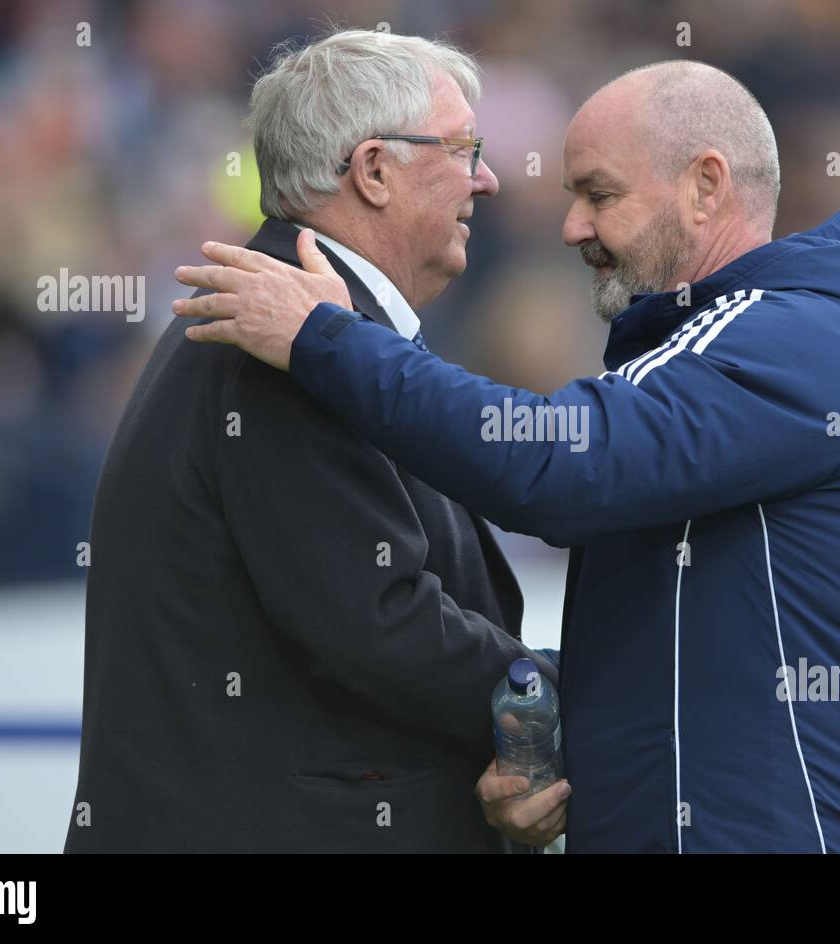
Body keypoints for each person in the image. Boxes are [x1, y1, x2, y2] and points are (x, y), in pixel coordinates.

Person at [174, 60, 840, 853]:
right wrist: (552, 741)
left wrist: (327, 341)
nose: (572, 228)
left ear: (705, 185)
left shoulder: (797, 338)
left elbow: (553, 466)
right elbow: (691, 649)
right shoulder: (744, 352)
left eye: (600, 195)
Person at [65, 29, 562, 854]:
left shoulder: (305, 327)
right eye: (465, 148)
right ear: (373, 171)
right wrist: (563, 696)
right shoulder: (284, 343)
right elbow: (381, 622)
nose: (488, 176)